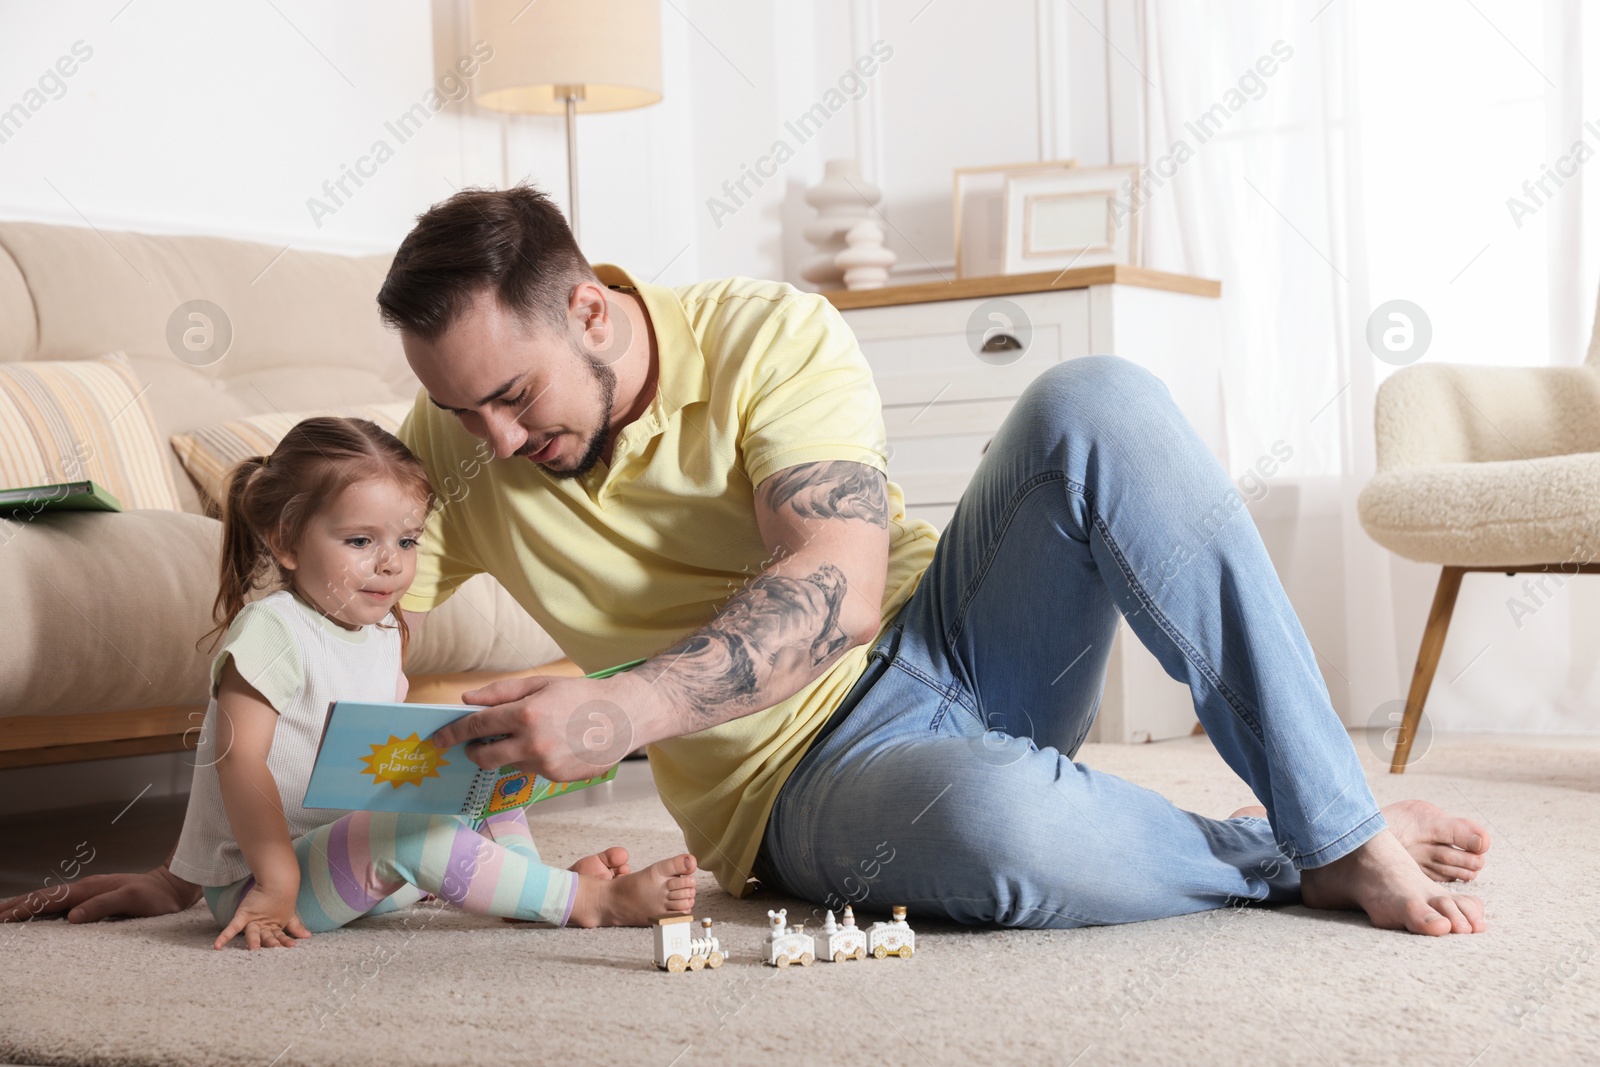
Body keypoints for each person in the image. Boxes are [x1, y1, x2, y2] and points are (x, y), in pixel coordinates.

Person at [4, 185, 1488, 937]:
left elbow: (837, 584)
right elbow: (308, 646)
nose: (492, 442)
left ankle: (1333, 814)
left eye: (512, 396)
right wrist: (205, 870)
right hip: (800, 783)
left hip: (952, 640)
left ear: (590, 310)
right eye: (460, 412)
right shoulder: (454, 440)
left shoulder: (767, 334)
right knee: (997, 833)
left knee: (1095, 399)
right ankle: (1294, 843)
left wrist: (621, 709)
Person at [19, 415, 696, 949]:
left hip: (353, 856)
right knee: (411, 833)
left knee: (489, 768)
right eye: (359, 541)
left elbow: (380, 762)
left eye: (406, 541)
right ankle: (584, 903)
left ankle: (529, 890)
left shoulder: (382, 633)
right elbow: (236, 758)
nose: (390, 566)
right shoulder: (271, 629)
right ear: (285, 540)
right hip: (270, 881)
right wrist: (232, 879)